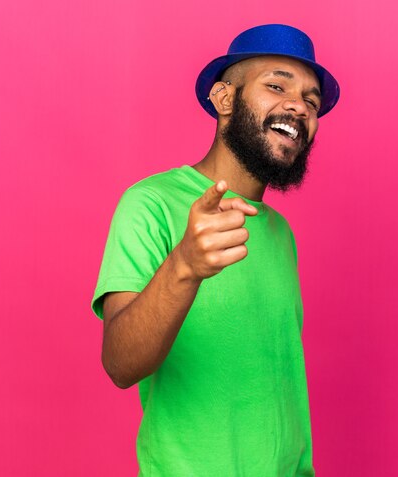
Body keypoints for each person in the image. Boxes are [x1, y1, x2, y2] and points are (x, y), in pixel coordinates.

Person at [91, 23, 340, 477]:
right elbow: (120, 364)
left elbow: (279, 390)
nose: (298, 107)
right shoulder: (151, 203)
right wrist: (184, 265)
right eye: (276, 85)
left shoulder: (280, 234)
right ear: (224, 99)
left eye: (311, 100)